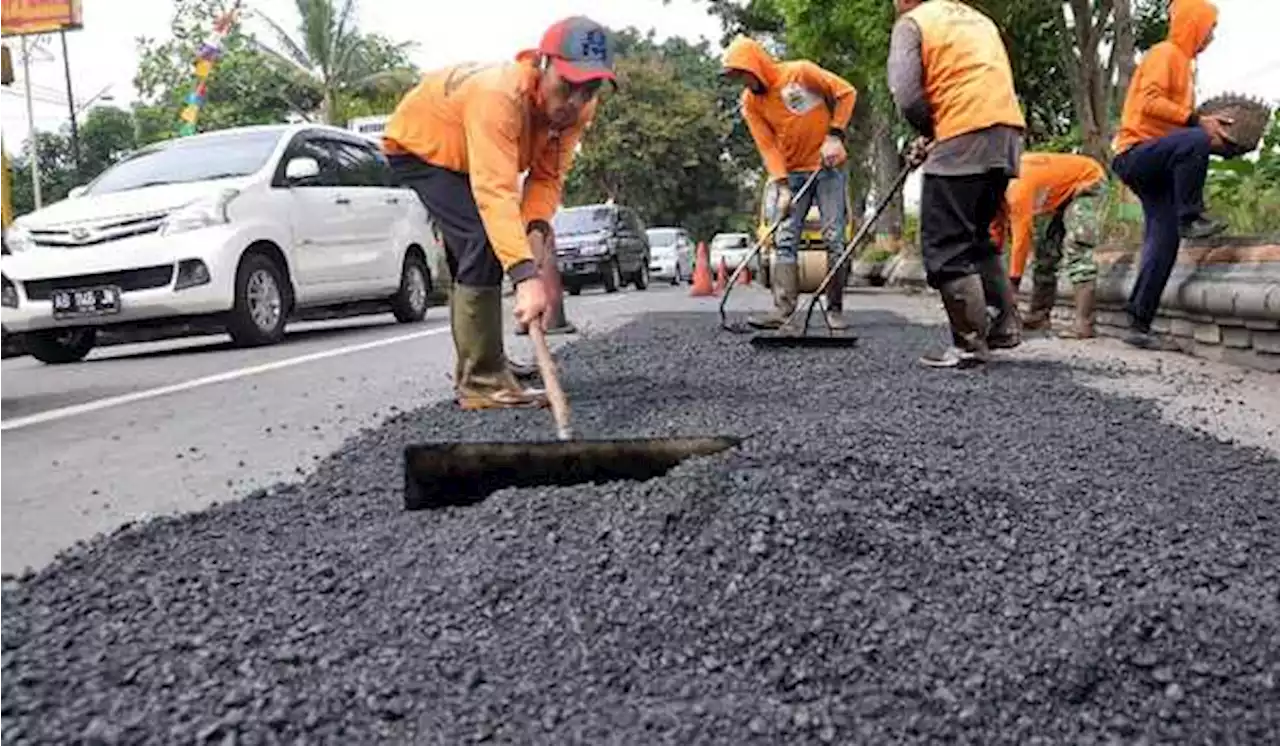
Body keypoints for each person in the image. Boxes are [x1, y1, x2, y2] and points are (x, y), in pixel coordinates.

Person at [380, 16, 613, 410]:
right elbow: (496, 192)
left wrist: (535, 233)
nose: (575, 101)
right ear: (542, 64)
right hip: (420, 147)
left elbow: (547, 176)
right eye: (568, 85)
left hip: (471, 154)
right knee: (481, 239)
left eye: (589, 89)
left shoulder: (578, 111)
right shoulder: (500, 96)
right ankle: (482, 382)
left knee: (479, 247)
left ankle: (489, 359)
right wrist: (525, 277)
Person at [888, 0, 1028, 369]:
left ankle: (968, 344)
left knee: (946, 244)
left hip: (963, 135)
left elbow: (906, 93)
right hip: (1006, 135)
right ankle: (1003, 326)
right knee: (977, 238)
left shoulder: (913, 23)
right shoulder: (976, 18)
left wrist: (930, 131)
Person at [1111, 0, 1231, 350]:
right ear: (1194, 24)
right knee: (1196, 139)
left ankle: (1138, 321)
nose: (1212, 36)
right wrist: (1197, 123)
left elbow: (1172, 124)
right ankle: (1190, 215)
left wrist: (1214, 135)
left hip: (1158, 159)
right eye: (1210, 27)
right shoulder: (1166, 53)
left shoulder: (1185, 66)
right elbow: (1149, 103)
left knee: (1164, 241)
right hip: (1134, 154)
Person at [719, 36, 859, 331]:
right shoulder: (750, 102)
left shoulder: (800, 73)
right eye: (735, 78)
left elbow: (846, 93)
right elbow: (767, 146)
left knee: (834, 237)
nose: (741, 82)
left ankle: (834, 309)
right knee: (784, 240)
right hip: (792, 174)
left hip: (827, 169)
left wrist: (835, 135)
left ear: (754, 65)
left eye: (741, 74)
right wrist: (781, 186)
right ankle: (783, 311)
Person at [991, 152, 1108, 339]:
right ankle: (1039, 316)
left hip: (1087, 180)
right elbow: (995, 234)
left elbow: (1022, 238)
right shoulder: (993, 194)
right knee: (1046, 251)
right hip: (1061, 194)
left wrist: (1013, 284)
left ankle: (1084, 323)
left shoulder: (1016, 189)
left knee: (1076, 246)